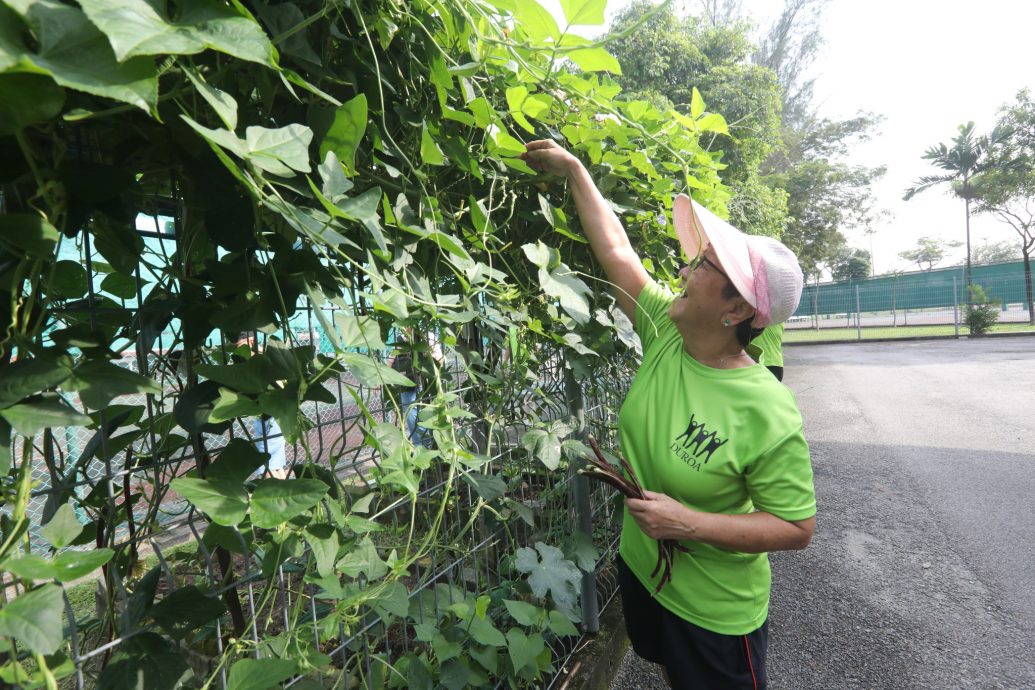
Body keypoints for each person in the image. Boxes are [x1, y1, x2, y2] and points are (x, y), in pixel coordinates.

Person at [521, 140, 816, 690]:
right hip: (644, 570)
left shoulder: (766, 407)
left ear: (736, 310)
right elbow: (616, 252)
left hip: (716, 610)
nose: (684, 268)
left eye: (703, 265)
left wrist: (690, 523)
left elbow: (797, 527)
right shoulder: (664, 333)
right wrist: (576, 171)